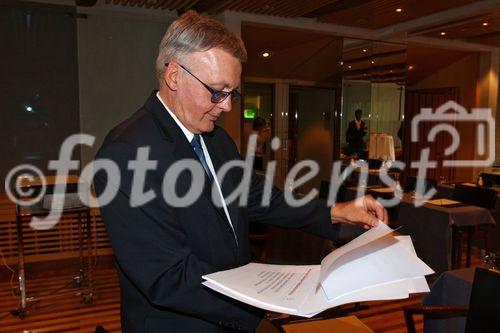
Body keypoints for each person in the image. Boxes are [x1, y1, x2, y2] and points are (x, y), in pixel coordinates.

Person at [94, 11, 387, 333]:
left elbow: (262, 198)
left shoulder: (216, 140)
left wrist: (335, 211)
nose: (227, 107)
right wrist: (260, 309)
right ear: (174, 76)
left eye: (232, 93)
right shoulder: (127, 152)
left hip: (230, 315)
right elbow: (167, 276)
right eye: (217, 91)